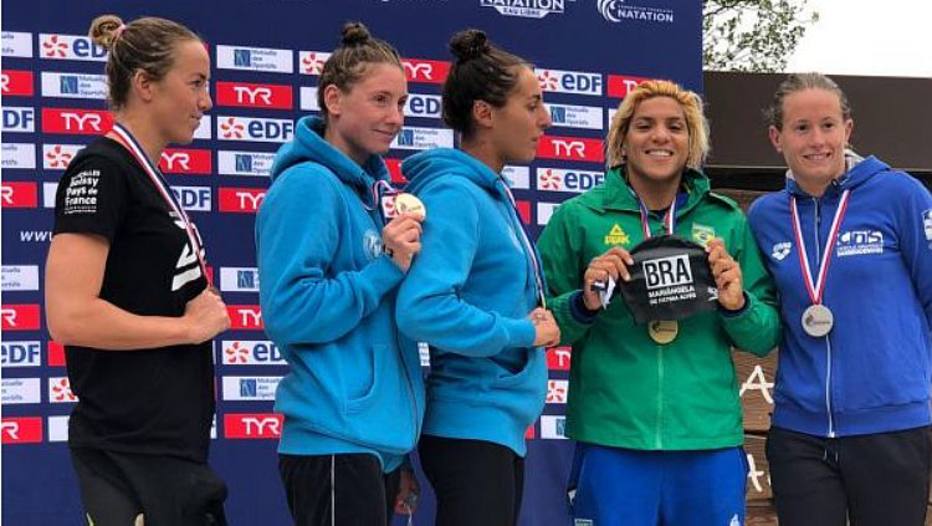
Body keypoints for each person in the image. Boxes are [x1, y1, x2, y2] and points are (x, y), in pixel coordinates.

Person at [536, 79, 782, 526]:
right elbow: (542, 324)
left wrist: (737, 303)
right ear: (622, 140)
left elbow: (764, 335)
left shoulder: (727, 220)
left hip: (707, 439)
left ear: (692, 143)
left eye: (675, 126)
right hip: (614, 439)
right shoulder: (579, 218)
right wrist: (585, 302)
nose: (660, 136)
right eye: (645, 125)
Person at [44, 14, 230, 526]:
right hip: (128, 451)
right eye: (196, 83)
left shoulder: (146, 177)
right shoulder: (102, 169)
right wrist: (187, 328)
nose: (207, 102)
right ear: (145, 84)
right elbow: (69, 317)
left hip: (170, 449)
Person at [255, 22, 424, 526]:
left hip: (372, 445)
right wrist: (385, 268)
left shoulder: (368, 195)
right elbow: (290, 313)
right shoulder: (308, 184)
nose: (395, 117)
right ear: (333, 99)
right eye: (380, 100)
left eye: (402, 103)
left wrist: (397, 451)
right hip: (332, 441)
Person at [748, 72, 932, 526]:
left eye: (828, 125)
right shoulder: (765, 217)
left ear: (847, 130)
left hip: (892, 425)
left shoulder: (900, 195)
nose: (817, 140)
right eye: (801, 128)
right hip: (800, 432)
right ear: (776, 137)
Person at [394, 29, 560, 526]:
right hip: (470, 423)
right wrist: (522, 332)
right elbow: (422, 309)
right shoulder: (455, 194)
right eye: (532, 105)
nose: (546, 119)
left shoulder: (489, 192)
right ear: (485, 113)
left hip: (495, 424)